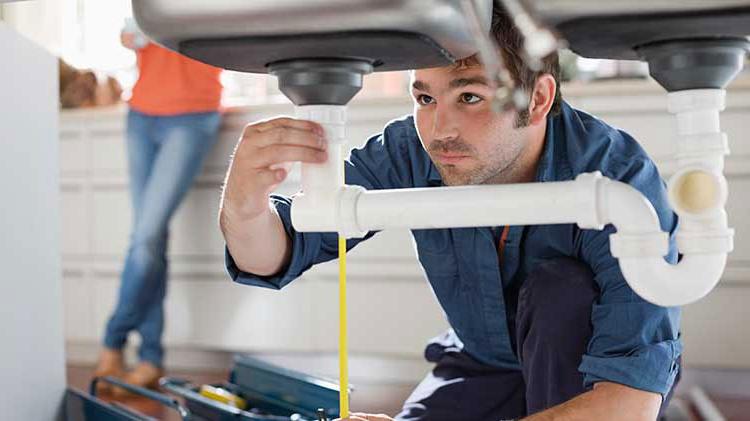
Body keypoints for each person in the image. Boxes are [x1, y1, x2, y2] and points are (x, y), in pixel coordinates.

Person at [219, 5, 681, 421]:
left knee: (560, 289)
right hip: (481, 365)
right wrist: (243, 204)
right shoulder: (410, 150)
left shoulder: (618, 179)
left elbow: (630, 401)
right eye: (425, 99)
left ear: (538, 99)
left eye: (470, 97)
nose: (439, 130)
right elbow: (273, 253)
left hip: (591, 374)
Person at [93, 24, 223, 392]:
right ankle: (150, 357)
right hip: (141, 114)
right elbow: (127, 37)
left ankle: (111, 341)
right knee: (151, 240)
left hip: (192, 114)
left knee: (145, 236)